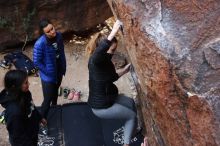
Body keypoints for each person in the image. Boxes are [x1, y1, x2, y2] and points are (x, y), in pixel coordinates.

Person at [86, 20, 138, 146]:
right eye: (112, 49)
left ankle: (133, 128)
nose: (114, 52)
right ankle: (126, 143)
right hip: (101, 107)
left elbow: (112, 77)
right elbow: (99, 54)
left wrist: (125, 70)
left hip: (109, 97)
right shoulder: (95, 61)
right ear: (103, 49)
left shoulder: (104, 61)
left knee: (131, 103)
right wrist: (114, 31)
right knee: (131, 116)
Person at [0, 70, 47, 146]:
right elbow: (17, 139)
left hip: (32, 132)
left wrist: (40, 117)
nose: (29, 84)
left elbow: (32, 106)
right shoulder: (14, 112)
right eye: (26, 83)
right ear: (15, 86)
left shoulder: (25, 93)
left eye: (27, 81)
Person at [33, 19, 66, 120]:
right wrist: (48, 72)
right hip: (48, 77)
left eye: (52, 28)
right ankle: (42, 120)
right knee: (47, 100)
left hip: (59, 71)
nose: (52, 32)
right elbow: (36, 62)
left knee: (56, 92)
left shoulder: (59, 36)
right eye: (48, 31)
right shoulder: (40, 44)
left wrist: (63, 66)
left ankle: (55, 107)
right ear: (43, 33)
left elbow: (61, 52)